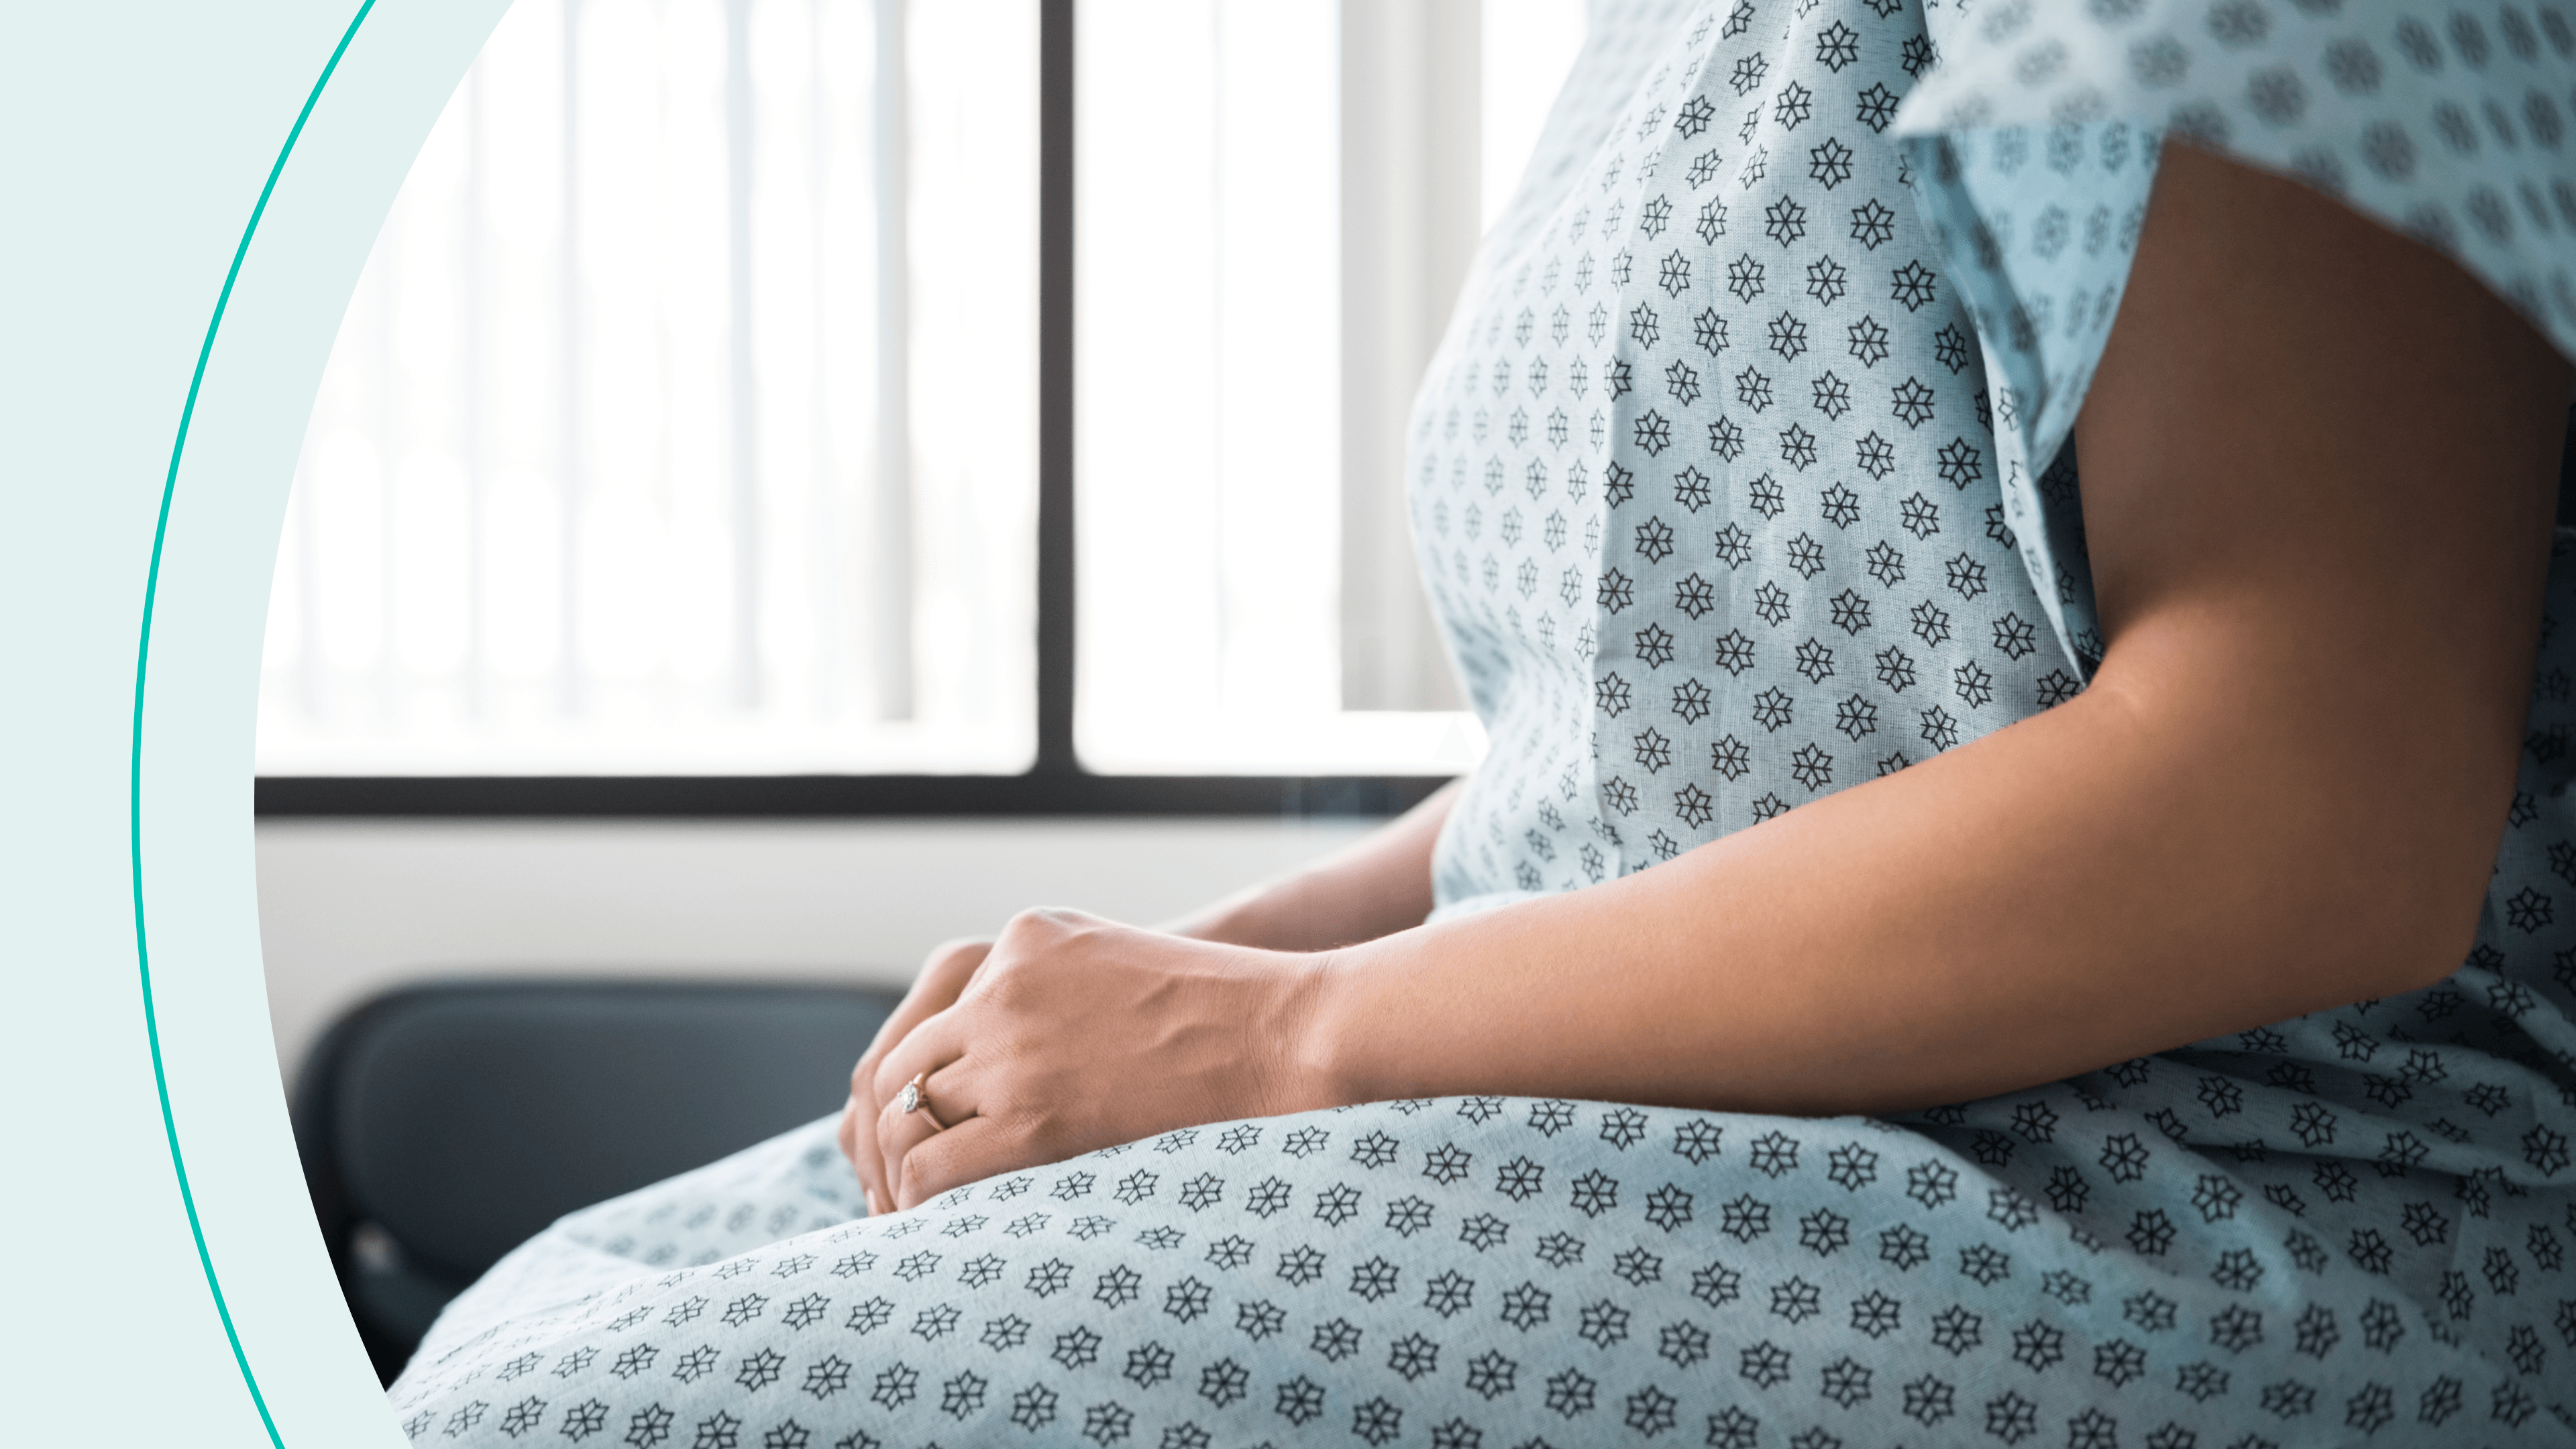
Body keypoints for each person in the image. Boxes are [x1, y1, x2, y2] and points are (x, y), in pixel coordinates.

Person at [393, 1, 2576, 1443]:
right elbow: (1691, 739)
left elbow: (2309, 796)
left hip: (2189, 1182)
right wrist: (1232, 954)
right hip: (1612, 1063)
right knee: (542, 1306)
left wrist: (1284, 1042)